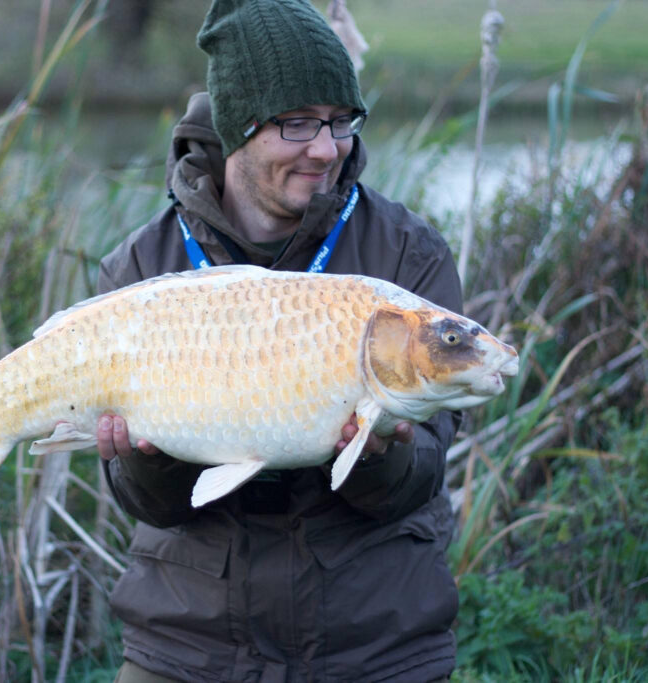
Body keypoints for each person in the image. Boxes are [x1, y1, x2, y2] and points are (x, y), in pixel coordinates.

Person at [94, 1, 463, 680]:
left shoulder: (408, 259)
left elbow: (425, 472)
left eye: (340, 121)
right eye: (297, 123)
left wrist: (381, 457)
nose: (326, 148)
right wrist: (145, 461)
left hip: (377, 647)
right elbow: (151, 505)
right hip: (189, 650)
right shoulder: (142, 268)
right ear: (239, 127)